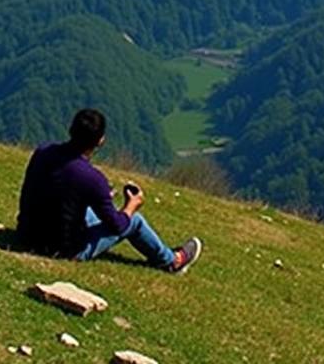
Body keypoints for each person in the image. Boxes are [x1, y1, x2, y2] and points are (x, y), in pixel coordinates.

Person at [17, 108, 201, 271]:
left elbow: (59, 190)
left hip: (27, 235)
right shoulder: (92, 177)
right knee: (134, 221)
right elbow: (117, 225)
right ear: (100, 141)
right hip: (61, 250)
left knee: (88, 210)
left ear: (71, 129)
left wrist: (99, 196)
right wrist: (131, 206)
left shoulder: (43, 151)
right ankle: (172, 261)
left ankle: (169, 258)